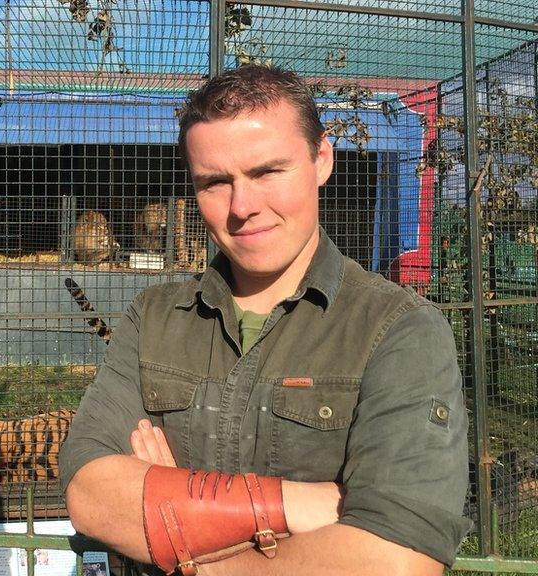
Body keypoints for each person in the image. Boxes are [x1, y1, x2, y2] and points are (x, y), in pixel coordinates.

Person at [60, 65, 470, 576]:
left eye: (267, 172)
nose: (243, 207)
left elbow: (398, 558)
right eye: (215, 182)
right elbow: (91, 495)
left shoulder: (399, 330)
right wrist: (301, 505)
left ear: (322, 159)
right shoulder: (155, 318)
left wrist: (187, 530)